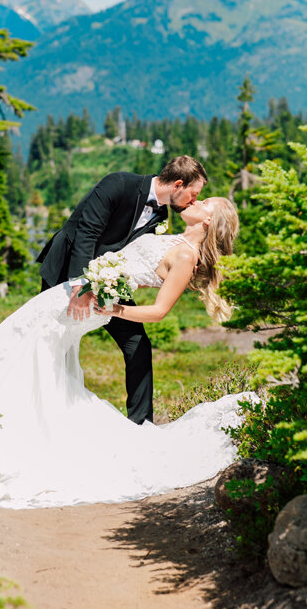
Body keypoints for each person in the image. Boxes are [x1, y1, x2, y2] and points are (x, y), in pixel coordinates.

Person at [0, 196, 254, 509]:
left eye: (206, 201)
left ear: (208, 220)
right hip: (82, 292)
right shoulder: (172, 239)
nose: (197, 199)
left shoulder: (185, 256)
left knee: (23, 335)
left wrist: (113, 309)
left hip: (93, 305)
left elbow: (159, 311)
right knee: (28, 343)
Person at [37, 155, 207, 424]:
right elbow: (86, 234)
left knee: (137, 343)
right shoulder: (118, 184)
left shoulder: (162, 214)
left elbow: (138, 252)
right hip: (68, 270)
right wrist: (80, 287)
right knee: (52, 340)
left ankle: (141, 423)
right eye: (193, 194)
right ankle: (44, 407)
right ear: (178, 185)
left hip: (108, 280)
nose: (194, 201)